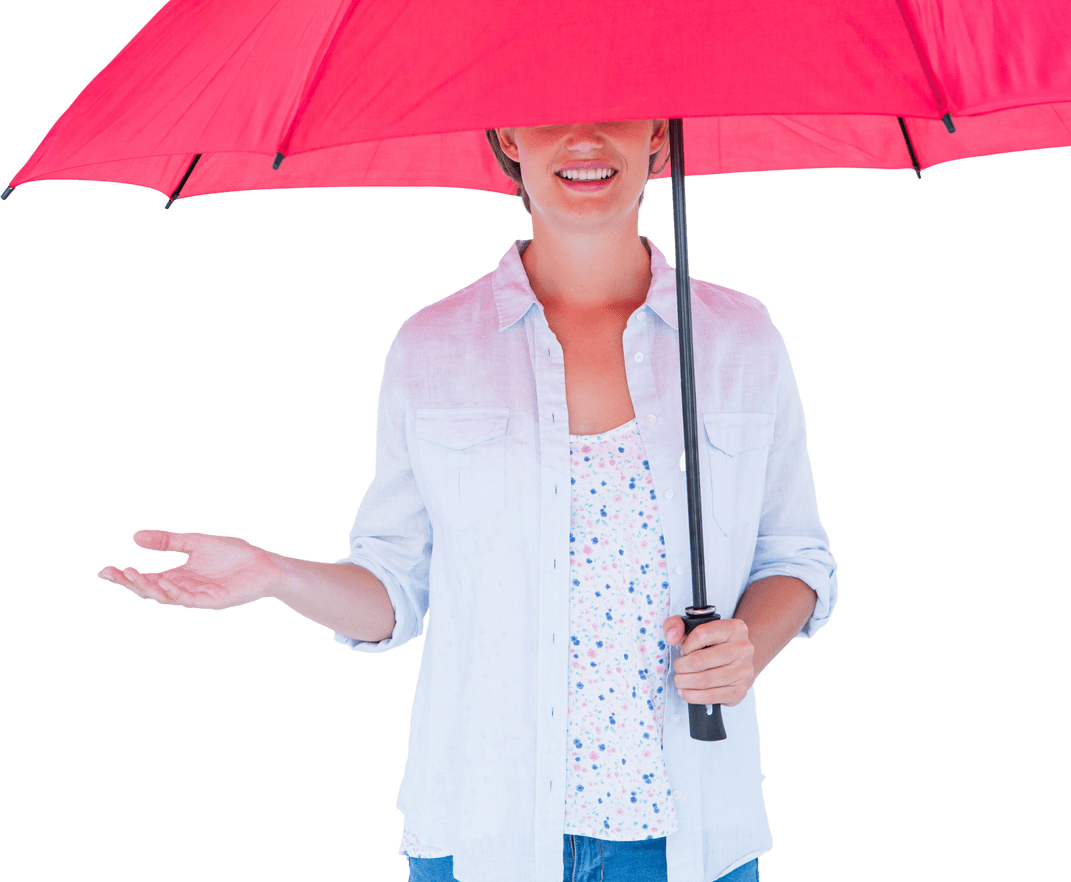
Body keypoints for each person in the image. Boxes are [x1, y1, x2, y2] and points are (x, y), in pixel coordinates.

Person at [97, 119, 837, 882]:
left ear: (659, 136)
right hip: (484, 836)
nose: (583, 138)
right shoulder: (432, 347)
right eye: (550, 108)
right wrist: (278, 575)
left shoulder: (740, 338)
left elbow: (796, 558)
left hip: (692, 841)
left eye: (615, 104)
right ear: (509, 137)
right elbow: (394, 591)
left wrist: (747, 641)